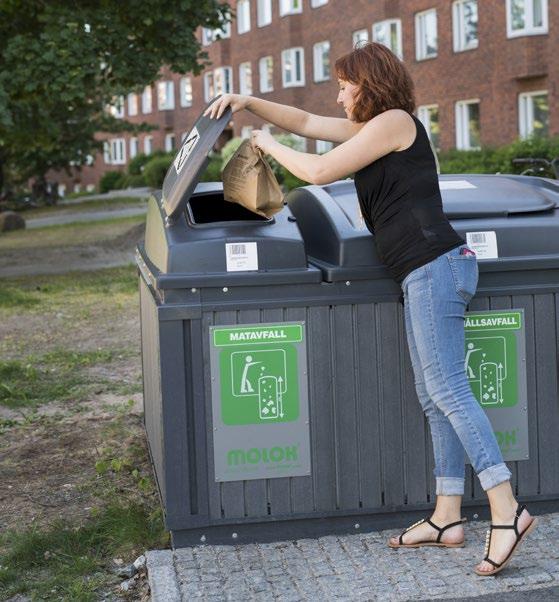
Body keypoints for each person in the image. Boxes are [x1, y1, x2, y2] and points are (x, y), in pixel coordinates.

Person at [205, 42, 537, 576]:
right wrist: (248, 102)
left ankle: (507, 508)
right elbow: (307, 120)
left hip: (436, 265)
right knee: (435, 398)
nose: (338, 95)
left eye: (344, 84)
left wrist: (265, 143)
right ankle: (447, 516)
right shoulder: (373, 130)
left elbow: (315, 173)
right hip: (421, 270)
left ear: (369, 83)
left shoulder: (394, 122)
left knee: (449, 389)